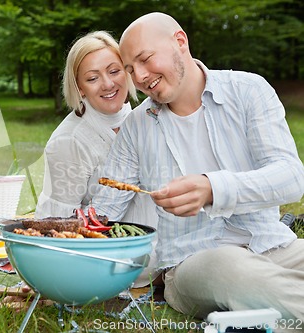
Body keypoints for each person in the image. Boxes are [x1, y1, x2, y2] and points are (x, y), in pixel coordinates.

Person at [92, 12, 304, 330]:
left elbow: (290, 178)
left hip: (272, 244)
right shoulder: (136, 125)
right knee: (229, 267)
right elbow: (103, 210)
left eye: (145, 59)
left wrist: (213, 188)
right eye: (130, 69)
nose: (140, 76)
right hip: (192, 263)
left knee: (255, 275)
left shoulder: (249, 91)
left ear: (180, 42)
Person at [35, 30, 156, 228]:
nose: (108, 84)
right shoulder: (69, 141)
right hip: (103, 251)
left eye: (114, 71)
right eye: (92, 78)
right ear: (80, 87)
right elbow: (59, 226)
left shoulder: (145, 118)